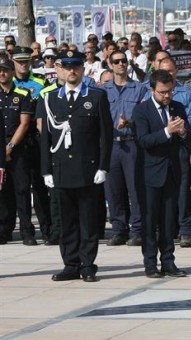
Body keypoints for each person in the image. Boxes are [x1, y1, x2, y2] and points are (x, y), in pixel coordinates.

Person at [38, 51, 113, 282]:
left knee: (88, 220)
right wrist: (46, 170)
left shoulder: (97, 96)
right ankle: (71, 264)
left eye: (76, 67)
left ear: (82, 70)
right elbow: (46, 139)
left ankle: (88, 264)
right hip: (61, 169)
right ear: (59, 69)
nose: (72, 71)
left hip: (87, 169)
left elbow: (105, 135)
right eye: (67, 67)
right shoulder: (50, 98)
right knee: (67, 221)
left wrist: (103, 166)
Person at [133, 70, 191, 278]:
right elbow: (143, 141)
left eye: (170, 91)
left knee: (169, 220)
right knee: (150, 221)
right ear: (152, 90)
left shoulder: (177, 107)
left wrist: (183, 132)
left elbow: (188, 138)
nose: (167, 96)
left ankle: (168, 261)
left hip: (172, 171)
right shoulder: (142, 111)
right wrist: (167, 131)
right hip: (149, 174)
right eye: (163, 92)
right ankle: (150, 263)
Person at [102, 50, 149, 247]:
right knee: (113, 189)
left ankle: (137, 229)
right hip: (111, 144)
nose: (121, 64)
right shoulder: (103, 90)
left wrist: (130, 122)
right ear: (110, 64)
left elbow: (144, 117)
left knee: (135, 188)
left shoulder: (139, 89)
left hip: (131, 142)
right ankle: (119, 229)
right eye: (117, 61)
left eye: (124, 61)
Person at [0, 57, 37, 245]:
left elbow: (24, 124)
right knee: (2, 191)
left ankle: (27, 231)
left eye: (5, 70)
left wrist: (10, 147)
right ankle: (4, 230)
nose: (2, 73)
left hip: (18, 147)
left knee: (21, 190)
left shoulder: (23, 94)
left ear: (12, 72)